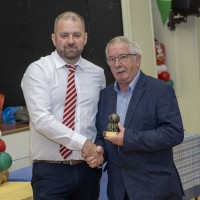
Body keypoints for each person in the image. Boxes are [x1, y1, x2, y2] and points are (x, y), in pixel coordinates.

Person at [21, 11, 105, 200]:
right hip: (51, 173)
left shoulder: (97, 74)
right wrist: (83, 143)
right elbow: (42, 120)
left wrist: (99, 150)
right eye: (64, 35)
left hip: (88, 171)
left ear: (85, 38)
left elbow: (99, 120)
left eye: (76, 35)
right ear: (54, 38)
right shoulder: (38, 70)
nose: (70, 41)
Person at [93, 36, 184, 200]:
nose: (117, 64)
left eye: (123, 57)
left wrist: (127, 138)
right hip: (119, 191)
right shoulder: (105, 95)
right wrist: (100, 150)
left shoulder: (160, 91)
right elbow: (102, 134)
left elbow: (174, 132)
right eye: (112, 59)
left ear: (138, 59)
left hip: (155, 189)